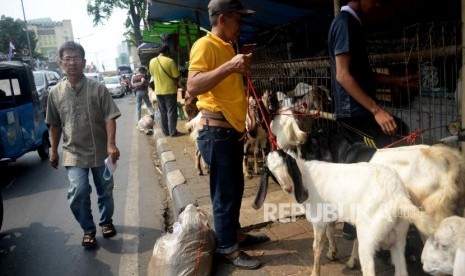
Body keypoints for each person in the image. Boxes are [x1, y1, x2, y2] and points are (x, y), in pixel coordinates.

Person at [187, 0, 269, 270]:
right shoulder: (205, 45)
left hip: (230, 131)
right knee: (224, 193)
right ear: (222, 20)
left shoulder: (227, 47)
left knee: (235, 188)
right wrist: (230, 68)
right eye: (238, 20)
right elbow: (193, 85)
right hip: (216, 132)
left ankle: (234, 234)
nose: (241, 26)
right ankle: (227, 248)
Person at [328, 0, 417, 239]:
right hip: (354, 115)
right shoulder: (345, 24)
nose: (378, 2)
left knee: (365, 165)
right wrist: (377, 110)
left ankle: (356, 225)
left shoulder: (353, 24)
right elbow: (343, 75)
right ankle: (360, 226)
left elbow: (361, 74)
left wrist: (396, 81)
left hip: (358, 112)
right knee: (372, 162)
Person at [46, 41, 121, 249]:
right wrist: (54, 150)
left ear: (84, 62)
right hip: (73, 153)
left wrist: (111, 144)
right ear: (61, 63)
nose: (72, 63)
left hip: (100, 151)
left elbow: (110, 117)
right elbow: (54, 124)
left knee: (105, 190)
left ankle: (106, 222)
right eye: (67, 59)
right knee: (78, 191)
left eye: (76, 58)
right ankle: (88, 229)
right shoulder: (55, 93)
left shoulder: (98, 89)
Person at [149, 45, 181, 137]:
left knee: (163, 112)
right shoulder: (170, 61)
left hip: (158, 91)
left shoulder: (152, 61)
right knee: (171, 111)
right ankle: (173, 132)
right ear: (167, 51)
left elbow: (152, 74)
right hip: (170, 90)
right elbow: (176, 76)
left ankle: (165, 132)